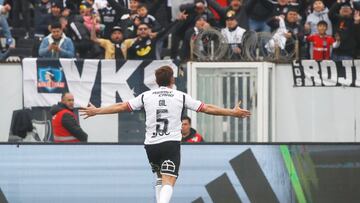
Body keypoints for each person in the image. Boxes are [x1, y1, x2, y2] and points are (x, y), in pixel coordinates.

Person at [80, 66, 251, 203]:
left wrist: (97, 111)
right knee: (169, 181)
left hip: (151, 145)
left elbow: (122, 106)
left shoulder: (146, 96)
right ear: (172, 80)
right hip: (170, 143)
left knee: (160, 178)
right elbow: (207, 109)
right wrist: (232, 112)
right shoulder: (180, 96)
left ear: (156, 81)